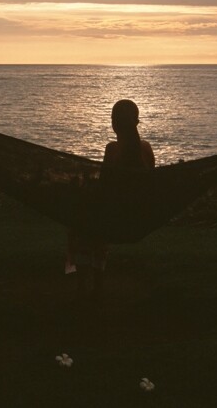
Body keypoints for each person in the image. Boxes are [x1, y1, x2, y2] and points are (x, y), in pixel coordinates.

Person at [66, 99, 155, 297]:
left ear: (113, 123)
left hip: (114, 215)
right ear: (137, 121)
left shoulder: (112, 149)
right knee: (96, 222)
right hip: (136, 214)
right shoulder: (146, 148)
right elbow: (149, 184)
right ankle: (97, 285)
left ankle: (83, 285)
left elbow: (105, 186)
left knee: (79, 221)